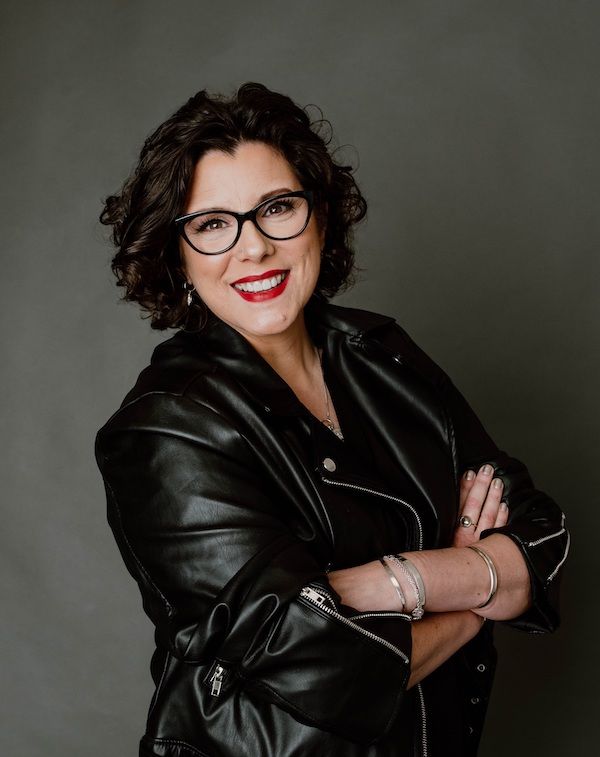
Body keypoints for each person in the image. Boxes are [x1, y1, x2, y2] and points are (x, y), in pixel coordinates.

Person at [94, 82, 569, 757]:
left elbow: (541, 542)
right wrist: (470, 592)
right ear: (177, 256)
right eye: (212, 224)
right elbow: (321, 666)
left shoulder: (382, 355)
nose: (253, 247)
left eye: (277, 207)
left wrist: (391, 582)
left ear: (319, 216)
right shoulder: (164, 430)